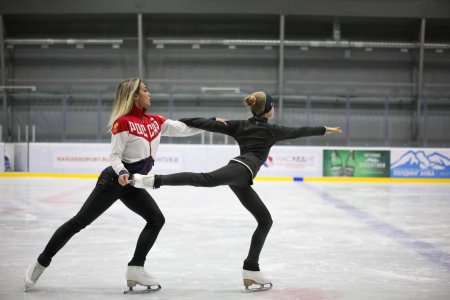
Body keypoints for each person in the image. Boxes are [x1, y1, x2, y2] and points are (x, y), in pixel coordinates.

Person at [131, 91, 342, 292]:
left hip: (241, 176)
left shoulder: (240, 126)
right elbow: (300, 132)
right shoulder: (273, 130)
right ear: (269, 109)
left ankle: (251, 269)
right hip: (242, 170)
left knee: (265, 220)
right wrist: (324, 129)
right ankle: (154, 181)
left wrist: (185, 120)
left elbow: (207, 124)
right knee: (206, 179)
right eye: (273, 105)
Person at [24, 78, 206, 293]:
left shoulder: (155, 121)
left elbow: (183, 128)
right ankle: (41, 263)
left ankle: (136, 268)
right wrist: (121, 172)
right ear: (134, 96)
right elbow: (115, 156)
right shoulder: (124, 122)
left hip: (132, 184)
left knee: (156, 219)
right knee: (79, 222)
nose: (150, 94)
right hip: (112, 182)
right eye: (145, 91)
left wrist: (213, 124)